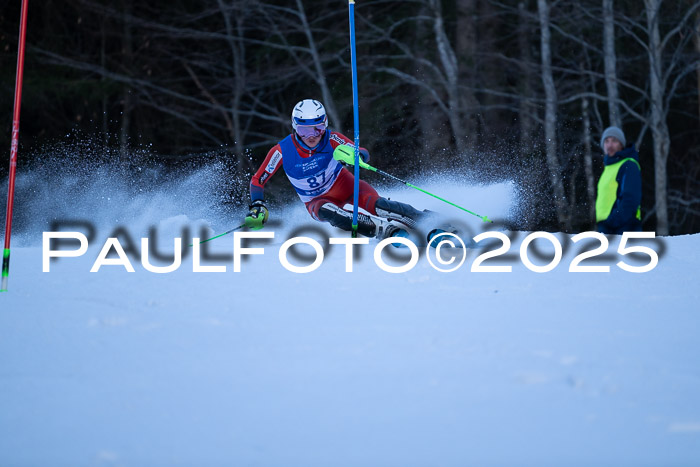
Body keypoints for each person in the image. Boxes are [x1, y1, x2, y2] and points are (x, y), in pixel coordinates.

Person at [245, 99, 426, 239]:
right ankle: (385, 230)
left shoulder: (332, 138)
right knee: (333, 213)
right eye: (304, 130)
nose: (311, 136)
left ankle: (426, 221)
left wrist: (356, 157)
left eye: (317, 129)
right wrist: (258, 205)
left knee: (379, 206)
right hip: (317, 201)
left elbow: (360, 151)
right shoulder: (282, 151)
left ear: (325, 124)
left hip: (347, 187)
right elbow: (258, 180)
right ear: (294, 127)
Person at [595, 126, 642, 234]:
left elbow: (631, 198)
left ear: (621, 144)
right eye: (606, 141)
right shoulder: (608, 168)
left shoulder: (628, 165)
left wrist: (614, 221)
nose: (610, 145)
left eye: (614, 141)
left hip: (624, 226)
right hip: (607, 226)